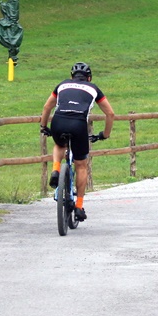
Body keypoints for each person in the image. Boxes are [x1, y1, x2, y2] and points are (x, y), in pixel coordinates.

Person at [40, 62, 114, 222]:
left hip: (59, 121)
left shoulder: (62, 85)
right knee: (81, 165)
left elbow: (46, 107)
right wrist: (105, 134)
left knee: (59, 144)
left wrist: (44, 126)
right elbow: (110, 113)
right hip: (78, 124)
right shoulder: (93, 88)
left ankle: (56, 170)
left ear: (71, 77)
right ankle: (79, 207)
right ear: (89, 78)